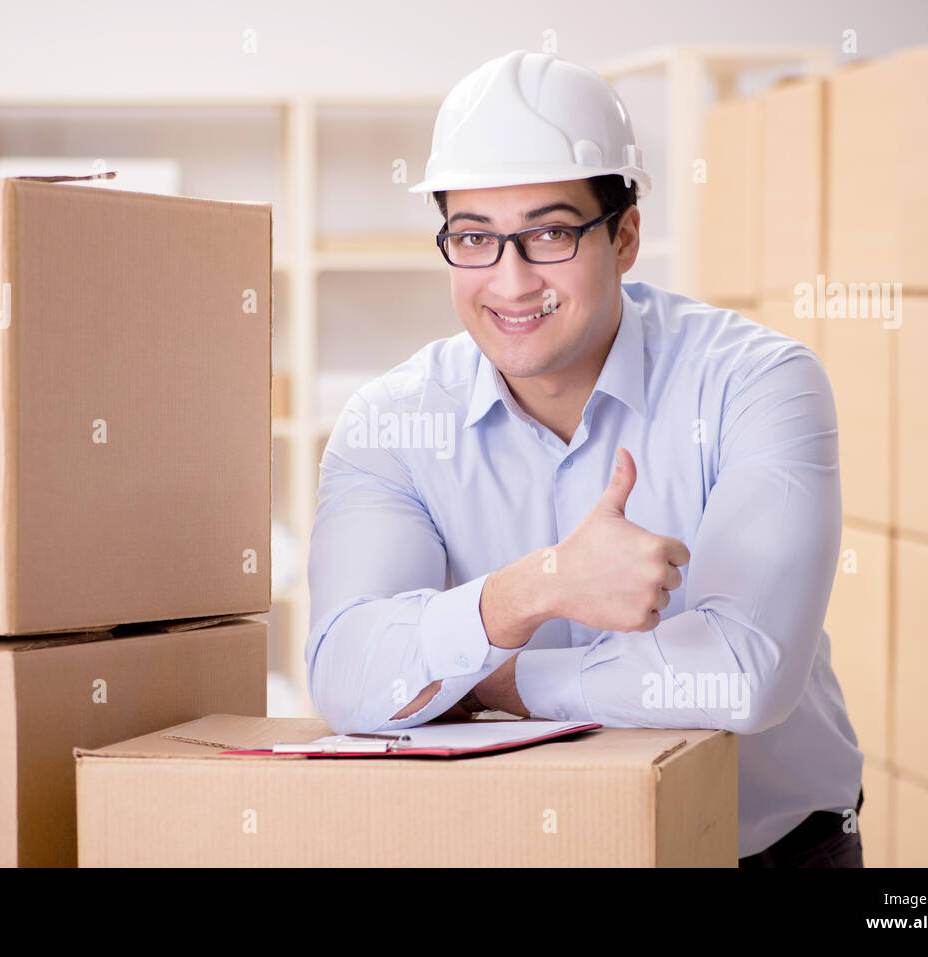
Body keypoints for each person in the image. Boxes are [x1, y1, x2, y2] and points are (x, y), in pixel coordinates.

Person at [304, 49, 864, 867]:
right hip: (520, 845)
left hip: (769, 850)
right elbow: (349, 677)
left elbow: (743, 674)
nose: (511, 280)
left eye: (550, 233)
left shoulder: (757, 382)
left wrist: (500, 680)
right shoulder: (391, 422)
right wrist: (539, 587)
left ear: (626, 236)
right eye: (474, 238)